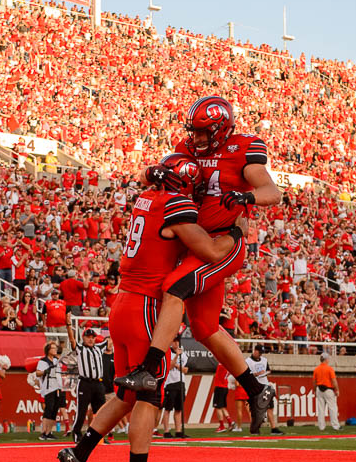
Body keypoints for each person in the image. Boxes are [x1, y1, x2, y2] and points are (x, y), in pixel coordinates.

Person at [57, 154, 237, 462]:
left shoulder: (147, 198)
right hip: (145, 306)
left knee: (126, 396)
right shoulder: (174, 204)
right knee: (149, 395)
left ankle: (77, 454)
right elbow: (213, 252)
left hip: (122, 303)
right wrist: (236, 234)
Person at [119, 97, 282, 434]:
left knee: (173, 288)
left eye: (204, 133)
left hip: (222, 243)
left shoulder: (244, 147)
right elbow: (149, 174)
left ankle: (149, 367)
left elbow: (271, 190)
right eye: (194, 133)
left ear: (221, 129)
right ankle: (256, 389)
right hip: (197, 243)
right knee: (205, 328)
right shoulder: (188, 149)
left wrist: (245, 198)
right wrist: (151, 171)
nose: (197, 139)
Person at [69, 327, 108, 442]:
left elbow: (111, 339)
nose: (91, 340)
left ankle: (99, 436)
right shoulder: (80, 348)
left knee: (101, 412)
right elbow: (72, 340)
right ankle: (77, 434)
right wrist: (68, 324)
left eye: (93, 337)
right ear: (83, 338)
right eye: (88, 337)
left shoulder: (99, 348)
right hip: (85, 383)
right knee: (82, 410)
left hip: (98, 383)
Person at [246, 345, 281, 435]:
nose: (260, 355)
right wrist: (257, 374)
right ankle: (255, 429)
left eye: (261, 353)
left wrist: (265, 373)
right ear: (255, 351)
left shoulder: (264, 360)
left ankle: (273, 428)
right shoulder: (248, 361)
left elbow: (268, 370)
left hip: (265, 385)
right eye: (259, 353)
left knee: (270, 408)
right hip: (255, 387)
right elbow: (246, 375)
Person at [35, 341, 66, 440]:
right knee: (49, 409)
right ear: (48, 350)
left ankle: (48, 432)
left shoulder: (57, 360)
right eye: (53, 348)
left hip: (57, 386)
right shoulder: (43, 361)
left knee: (55, 410)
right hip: (49, 387)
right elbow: (38, 373)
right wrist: (46, 371)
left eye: (55, 348)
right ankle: (43, 432)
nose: (55, 350)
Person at [158, 339, 188, 438]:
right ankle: (166, 431)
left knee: (179, 409)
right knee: (168, 408)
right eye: (174, 342)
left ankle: (178, 430)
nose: (176, 344)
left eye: (177, 342)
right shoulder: (168, 353)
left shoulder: (183, 354)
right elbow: (169, 367)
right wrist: (176, 357)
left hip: (181, 382)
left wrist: (178, 365)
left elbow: (185, 369)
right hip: (170, 383)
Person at [312, 352, 340, 431]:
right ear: (327, 359)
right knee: (333, 408)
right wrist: (337, 390)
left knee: (321, 409)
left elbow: (314, 382)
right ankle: (335, 426)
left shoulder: (316, 369)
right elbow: (334, 381)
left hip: (319, 389)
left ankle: (321, 426)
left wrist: (314, 390)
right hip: (328, 389)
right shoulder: (329, 369)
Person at [211, 363, 234, 432]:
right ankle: (230, 422)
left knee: (218, 407)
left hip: (219, 387)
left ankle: (222, 426)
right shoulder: (229, 365)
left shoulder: (222, 365)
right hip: (225, 387)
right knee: (222, 407)